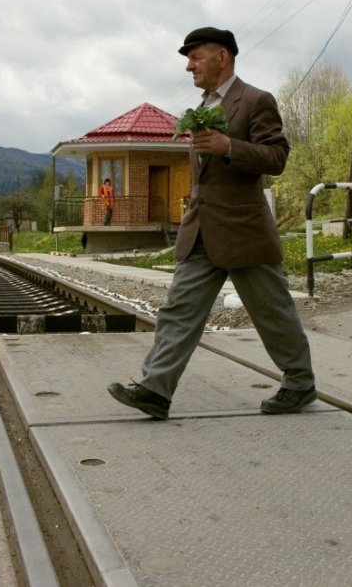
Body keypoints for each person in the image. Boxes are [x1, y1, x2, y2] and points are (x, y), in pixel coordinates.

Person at [107, 26, 316, 419]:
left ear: (222, 56)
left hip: (244, 232)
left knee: (272, 313)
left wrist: (229, 147)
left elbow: (277, 158)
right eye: (188, 59)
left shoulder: (255, 100)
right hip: (201, 230)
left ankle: (300, 383)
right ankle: (155, 389)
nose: (189, 66)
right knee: (178, 309)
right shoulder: (200, 107)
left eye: (195, 57)